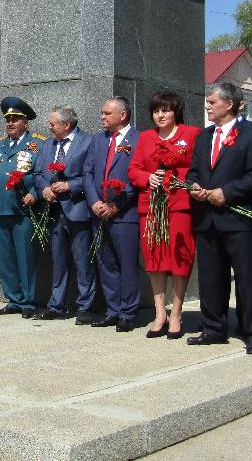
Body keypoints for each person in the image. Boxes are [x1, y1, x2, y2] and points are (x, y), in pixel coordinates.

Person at [185, 82, 252, 354]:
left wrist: (227, 193)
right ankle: (213, 328)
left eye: (212, 102)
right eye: (207, 102)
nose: (207, 106)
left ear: (229, 104)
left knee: (246, 277)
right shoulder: (204, 136)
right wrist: (194, 187)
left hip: (238, 218)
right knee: (211, 277)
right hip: (207, 217)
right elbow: (194, 171)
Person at [128, 91, 201, 338]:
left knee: (180, 257)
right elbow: (134, 169)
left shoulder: (191, 134)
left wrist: (176, 179)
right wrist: (148, 177)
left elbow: (197, 168)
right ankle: (160, 312)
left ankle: (177, 312)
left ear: (176, 112)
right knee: (155, 258)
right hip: (151, 205)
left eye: (165, 110)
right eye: (156, 111)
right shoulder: (146, 137)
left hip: (179, 205)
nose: (160, 115)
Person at [82, 96, 141, 332]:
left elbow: (136, 178)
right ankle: (113, 310)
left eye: (107, 113)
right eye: (102, 112)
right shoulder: (98, 140)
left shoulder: (138, 140)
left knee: (127, 264)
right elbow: (87, 173)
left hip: (125, 214)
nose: (102, 117)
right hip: (99, 213)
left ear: (123, 115)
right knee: (105, 263)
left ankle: (128, 312)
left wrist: (117, 204)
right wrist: (94, 201)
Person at [33, 106, 96, 324]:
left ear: (66, 124)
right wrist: (44, 189)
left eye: (53, 124)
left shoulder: (88, 142)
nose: (49, 127)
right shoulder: (47, 144)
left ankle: (85, 306)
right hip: (54, 211)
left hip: (78, 210)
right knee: (58, 261)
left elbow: (92, 174)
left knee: (83, 261)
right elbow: (38, 173)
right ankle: (56, 305)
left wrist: (70, 185)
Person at [0, 97, 45, 319]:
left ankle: (28, 301)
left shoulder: (37, 144)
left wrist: (35, 194)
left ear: (25, 122)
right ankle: (14, 299)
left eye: (15, 119)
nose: (10, 123)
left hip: (24, 211)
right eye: (8, 119)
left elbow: (43, 175)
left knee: (25, 257)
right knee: (7, 259)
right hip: (2, 210)